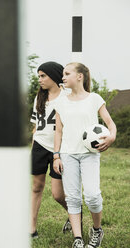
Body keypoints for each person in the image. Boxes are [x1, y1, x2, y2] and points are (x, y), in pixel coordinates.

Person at [53, 62, 116, 248]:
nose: (62, 77)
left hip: (89, 154)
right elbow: (58, 131)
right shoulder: (61, 102)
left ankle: (97, 230)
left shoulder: (94, 99)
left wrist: (111, 137)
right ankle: (78, 239)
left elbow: (110, 124)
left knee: (92, 195)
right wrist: (56, 156)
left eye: (67, 73)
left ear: (79, 76)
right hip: (67, 154)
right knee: (72, 197)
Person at [30, 61, 71, 239]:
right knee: (36, 187)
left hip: (58, 149)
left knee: (57, 194)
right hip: (39, 146)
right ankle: (31, 229)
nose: (40, 79)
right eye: (38, 76)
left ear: (54, 76)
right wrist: (32, 148)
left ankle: (74, 213)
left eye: (43, 76)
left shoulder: (68, 97)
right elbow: (36, 127)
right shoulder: (38, 98)